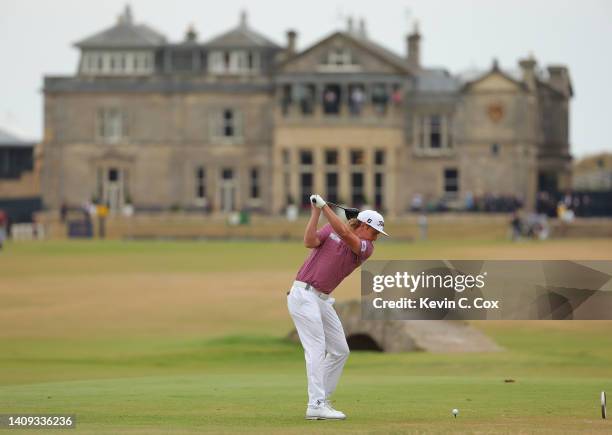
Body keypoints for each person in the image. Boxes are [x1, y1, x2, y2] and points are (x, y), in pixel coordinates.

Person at [287, 193, 388, 420]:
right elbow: (309, 242)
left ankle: (321, 400)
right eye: (374, 232)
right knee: (315, 349)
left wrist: (324, 207)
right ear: (362, 225)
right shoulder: (331, 229)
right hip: (303, 294)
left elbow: (344, 233)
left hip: (321, 299)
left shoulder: (365, 247)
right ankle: (316, 404)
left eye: (378, 235)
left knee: (340, 350)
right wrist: (315, 212)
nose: (375, 237)